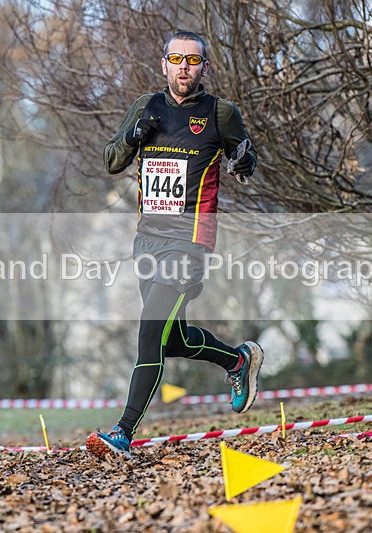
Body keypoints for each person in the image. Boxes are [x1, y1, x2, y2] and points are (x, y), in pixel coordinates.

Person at [86, 31, 263, 460]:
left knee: (149, 331)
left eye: (193, 60)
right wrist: (134, 136)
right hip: (147, 241)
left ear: (204, 67)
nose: (184, 66)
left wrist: (242, 159)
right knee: (172, 340)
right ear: (164, 64)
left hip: (189, 243)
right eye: (176, 58)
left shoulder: (220, 112)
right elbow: (112, 160)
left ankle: (122, 432)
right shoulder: (146, 106)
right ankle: (238, 361)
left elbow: (247, 158)